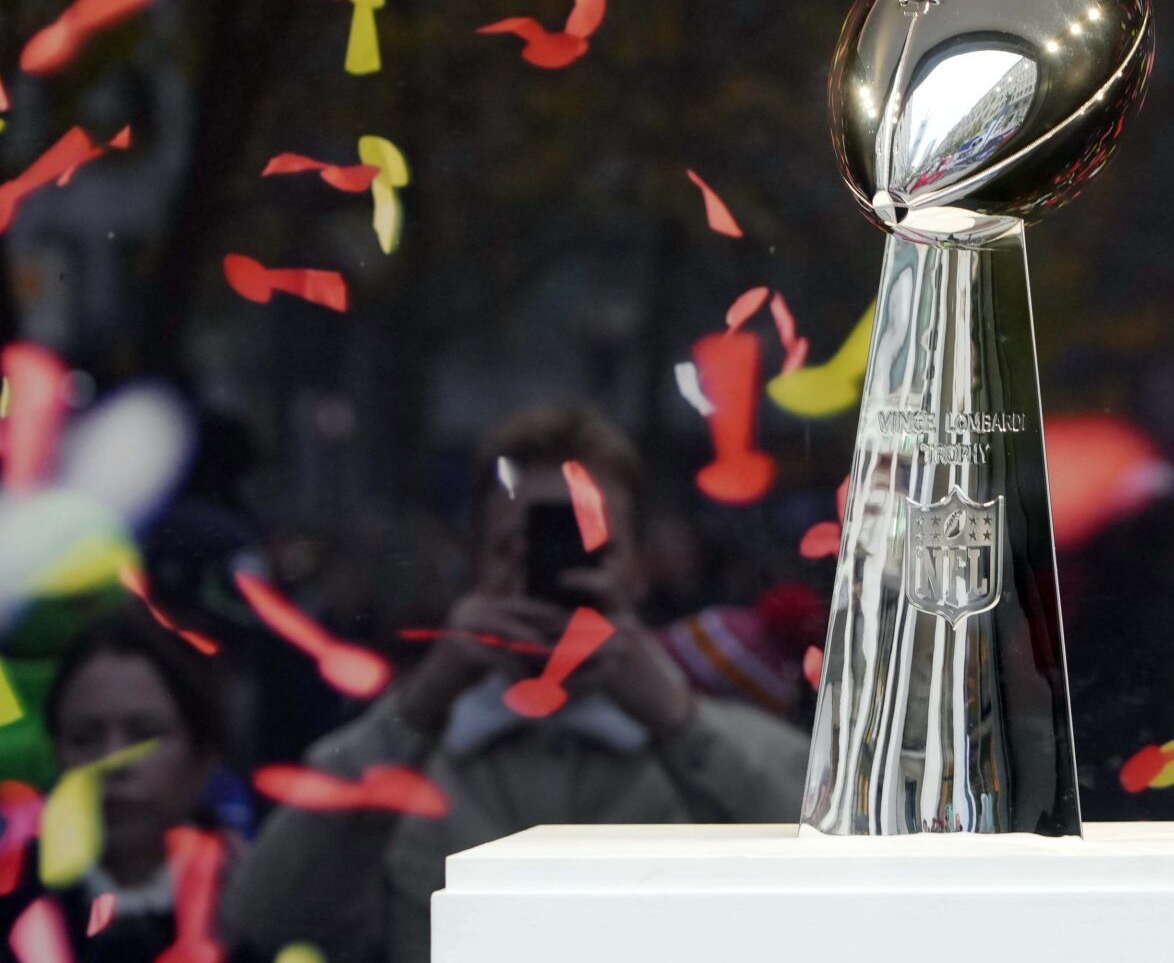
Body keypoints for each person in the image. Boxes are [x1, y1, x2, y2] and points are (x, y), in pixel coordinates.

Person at [223, 406, 810, 963]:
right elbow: (268, 916)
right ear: (477, 566)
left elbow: (835, 907)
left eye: (589, 545)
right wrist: (422, 703)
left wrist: (679, 724)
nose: (551, 570)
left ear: (637, 570)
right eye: (515, 548)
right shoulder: (408, 756)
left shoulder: (736, 750)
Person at [1, 608, 240, 963]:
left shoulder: (255, 905)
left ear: (203, 759)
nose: (113, 762)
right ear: (57, 757)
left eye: (145, 736)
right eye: (84, 739)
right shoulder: (12, 905)